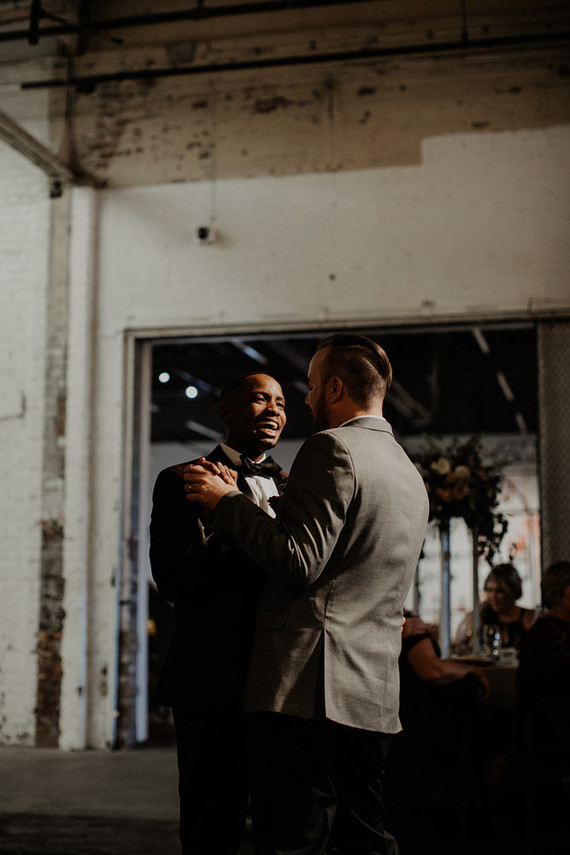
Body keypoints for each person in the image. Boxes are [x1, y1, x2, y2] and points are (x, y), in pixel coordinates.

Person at [184, 332, 429, 855]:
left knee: (295, 839)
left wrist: (228, 501)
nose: (307, 400)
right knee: (365, 835)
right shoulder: (408, 470)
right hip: (374, 690)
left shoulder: (332, 446)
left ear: (336, 387)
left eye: (314, 387)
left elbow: (299, 562)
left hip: (309, 689)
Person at [149, 372, 287, 855]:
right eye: (259, 399)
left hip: (281, 676)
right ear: (226, 411)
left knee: (279, 819)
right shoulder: (181, 479)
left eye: (281, 402)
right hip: (210, 676)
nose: (273, 410)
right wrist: (230, 519)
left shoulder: (293, 487)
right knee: (213, 821)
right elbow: (174, 582)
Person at [454, 563, 536, 654]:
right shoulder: (477, 616)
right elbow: (458, 647)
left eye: (500, 591)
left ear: (513, 592)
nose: (493, 596)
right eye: (489, 590)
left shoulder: (529, 617)